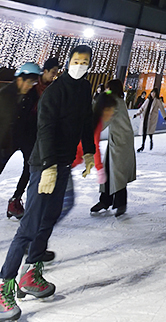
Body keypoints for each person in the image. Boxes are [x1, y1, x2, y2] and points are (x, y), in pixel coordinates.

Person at [0, 45, 95, 318]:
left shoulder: (84, 88)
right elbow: (46, 128)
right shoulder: (55, 91)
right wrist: (49, 166)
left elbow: (86, 120)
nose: (80, 64)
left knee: (47, 221)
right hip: (45, 164)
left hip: (62, 164)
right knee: (29, 226)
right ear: (68, 62)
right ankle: (4, 285)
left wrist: (88, 151)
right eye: (76, 60)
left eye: (85, 61)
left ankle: (31, 274)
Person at [0, 64, 41, 223]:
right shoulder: (4, 95)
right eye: (27, 82)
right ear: (19, 78)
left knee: (29, 168)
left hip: (24, 138)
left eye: (32, 83)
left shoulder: (30, 95)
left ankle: (16, 200)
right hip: (4, 141)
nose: (28, 86)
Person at [90, 78, 136, 216]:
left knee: (118, 174)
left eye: (108, 88)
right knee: (109, 171)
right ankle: (105, 200)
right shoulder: (117, 100)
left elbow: (104, 120)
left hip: (121, 143)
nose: (106, 90)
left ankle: (120, 203)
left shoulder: (115, 102)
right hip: (118, 141)